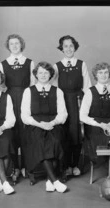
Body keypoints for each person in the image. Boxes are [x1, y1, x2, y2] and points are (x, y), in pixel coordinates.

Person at [79, 62, 110, 190]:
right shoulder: (90, 92)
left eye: (106, 72)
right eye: (100, 72)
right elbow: (82, 116)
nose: (103, 75)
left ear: (109, 74)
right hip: (95, 126)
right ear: (96, 75)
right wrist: (99, 124)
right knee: (101, 140)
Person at [21, 61, 68, 193]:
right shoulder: (28, 91)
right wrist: (39, 124)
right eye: (40, 72)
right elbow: (25, 116)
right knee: (40, 142)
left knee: (55, 141)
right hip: (34, 126)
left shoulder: (57, 91)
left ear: (50, 75)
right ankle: (55, 180)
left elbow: (63, 114)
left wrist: (52, 123)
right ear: (36, 74)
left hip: (54, 124)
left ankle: (49, 180)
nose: (43, 75)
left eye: (46, 72)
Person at [52, 35, 91, 177]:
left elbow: (87, 87)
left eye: (71, 46)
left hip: (77, 101)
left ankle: (76, 164)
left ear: (75, 47)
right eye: (65, 46)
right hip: (63, 102)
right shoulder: (57, 66)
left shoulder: (81, 64)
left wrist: (87, 106)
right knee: (65, 133)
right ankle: (66, 165)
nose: (68, 49)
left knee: (77, 134)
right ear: (61, 48)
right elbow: (54, 89)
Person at [0, 34, 35, 180]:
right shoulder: (4, 63)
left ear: (21, 45)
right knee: (12, 133)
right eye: (11, 44)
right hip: (10, 99)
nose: (14, 46)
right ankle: (15, 168)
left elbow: (33, 84)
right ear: (8, 46)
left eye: (17, 43)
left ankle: (27, 166)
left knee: (25, 132)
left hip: (26, 98)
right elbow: (1, 85)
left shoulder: (29, 62)